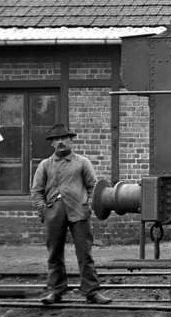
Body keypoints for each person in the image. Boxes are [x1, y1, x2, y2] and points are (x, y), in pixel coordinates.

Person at [30, 124, 111, 305]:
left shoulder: (82, 162)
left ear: (70, 140)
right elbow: (36, 191)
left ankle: (92, 292)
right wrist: (43, 209)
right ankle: (55, 291)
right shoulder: (45, 165)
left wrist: (87, 206)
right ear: (52, 143)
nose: (60, 142)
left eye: (63, 138)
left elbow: (93, 187)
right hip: (53, 212)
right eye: (56, 139)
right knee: (54, 254)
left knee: (85, 253)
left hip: (79, 212)